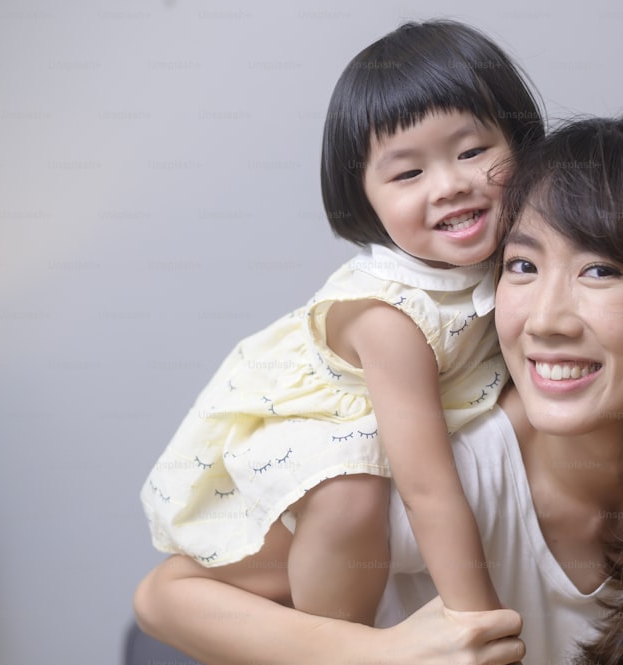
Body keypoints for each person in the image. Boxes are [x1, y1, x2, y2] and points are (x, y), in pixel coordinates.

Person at [134, 114, 623, 665]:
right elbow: (165, 596)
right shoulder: (458, 466)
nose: (547, 320)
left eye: (600, 271)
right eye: (522, 266)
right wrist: (383, 653)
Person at [139, 19, 544, 625]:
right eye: (409, 173)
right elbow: (428, 488)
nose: (452, 185)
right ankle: (339, 643)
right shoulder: (391, 317)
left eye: (473, 151)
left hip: (398, 437)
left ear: (519, 143)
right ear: (363, 196)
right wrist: (479, 622)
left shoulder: (524, 257)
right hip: (316, 432)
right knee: (352, 493)